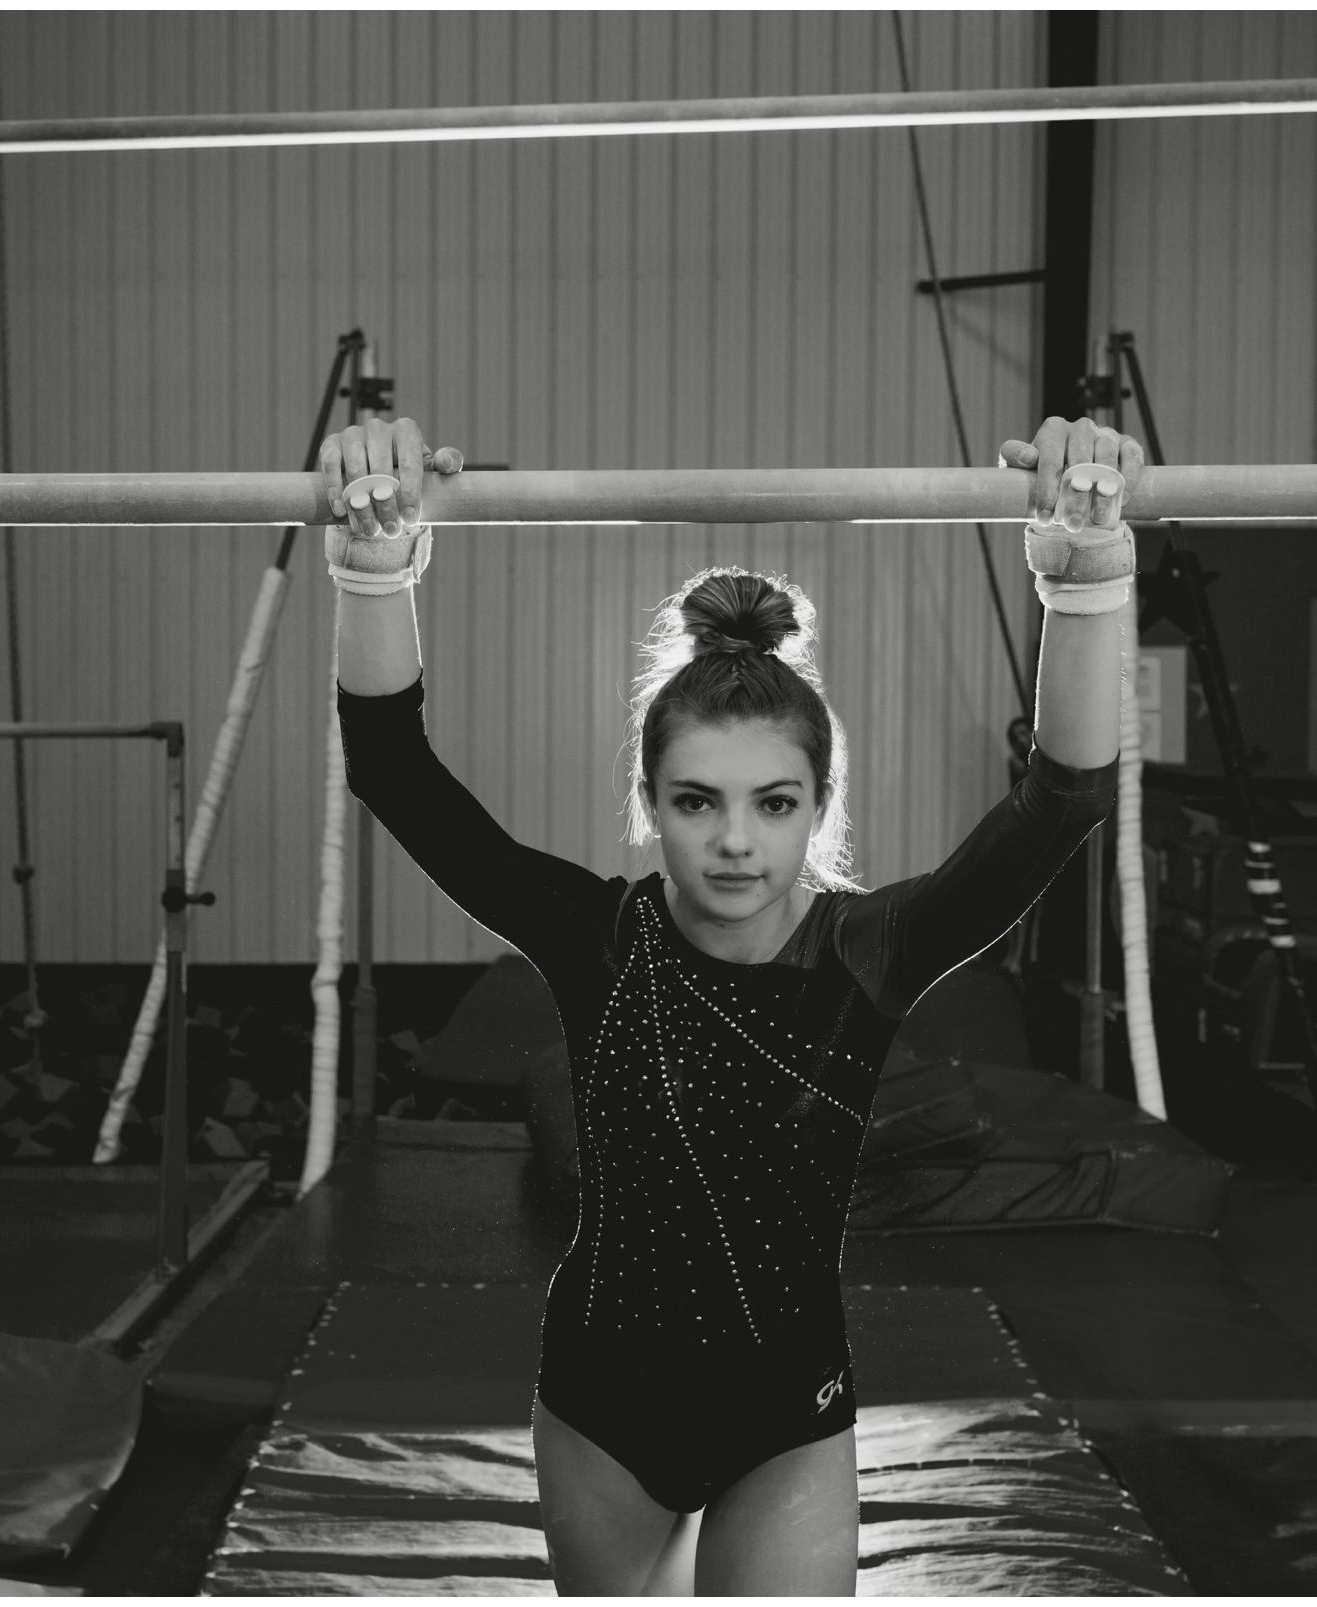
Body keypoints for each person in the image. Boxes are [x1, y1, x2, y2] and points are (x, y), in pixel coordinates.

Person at [320, 413, 1137, 1595]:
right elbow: (395, 769)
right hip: (604, 1409)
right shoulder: (598, 939)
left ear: (818, 804)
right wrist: (376, 554)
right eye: (697, 802)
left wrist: (1086, 580)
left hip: (786, 1419)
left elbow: (1062, 801)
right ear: (649, 802)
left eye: (773, 802)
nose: (736, 842)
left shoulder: (872, 948)